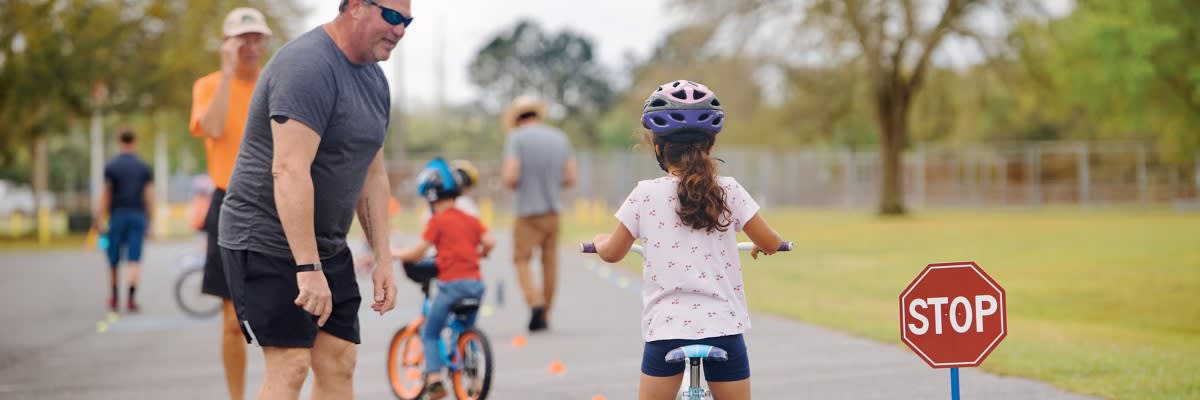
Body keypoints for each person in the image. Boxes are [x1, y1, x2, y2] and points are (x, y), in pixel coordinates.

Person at [216, 0, 410, 398]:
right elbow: (288, 170)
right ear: (355, 6)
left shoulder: (375, 82)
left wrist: (383, 259)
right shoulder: (307, 67)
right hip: (267, 238)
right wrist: (307, 267)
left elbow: (372, 175)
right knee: (291, 364)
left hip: (326, 243)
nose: (400, 30)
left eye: (407, 21)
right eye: (391, 16)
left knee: (339, 360)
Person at [590, 80, 783, 400]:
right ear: (709, 146)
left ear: (657, 148)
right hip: (724, 328)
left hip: (666, 331)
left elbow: (612, 253)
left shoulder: (644, 194)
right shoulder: (729, 190)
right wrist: (767, 244)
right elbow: (772, 241)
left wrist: (599, 242)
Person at [188, 7, 272, 399]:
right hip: (229, 202)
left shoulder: (276, 82)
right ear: (227, 44)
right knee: (231, 320)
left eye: (257, 38)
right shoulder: (208, 86)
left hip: (275, 202)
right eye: (242, 39)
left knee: (283, 310)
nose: (251, 46)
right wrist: (226, 72)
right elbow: (216, 127)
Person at [392, 158, 495, 399]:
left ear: (431, 198)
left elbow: (418, 252)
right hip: (476, 286)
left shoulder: (437, 221)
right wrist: (480, 253)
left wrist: (395, 252)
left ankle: (436, 379)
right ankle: (467, 366)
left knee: (430, 331)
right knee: (464, 326)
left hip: (452, 287)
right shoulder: (470, 220)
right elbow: (490, 242)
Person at [500, 96, 576, 332]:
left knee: (521, 259)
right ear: (537, 115)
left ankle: (535, 301)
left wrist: (516, 183)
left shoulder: (516, 138)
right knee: (549, 262)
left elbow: (511, 176)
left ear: (517, 118)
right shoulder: (559, 138)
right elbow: (570, 177)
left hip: (526, 211)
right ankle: (545, 313)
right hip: (553, 210)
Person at [94, 129, 154, 313]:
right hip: (137, 215)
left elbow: (106, 194)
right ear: (134, 141)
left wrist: (98, 217)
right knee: (134, 258)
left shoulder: (111, 166)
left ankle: (114, 297)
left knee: (113, 258)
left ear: (120, 141)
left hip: (117, 215)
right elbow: (149, 195)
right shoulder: (144, 167)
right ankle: (131, 298)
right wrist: (150, 220)